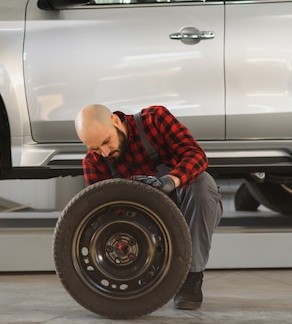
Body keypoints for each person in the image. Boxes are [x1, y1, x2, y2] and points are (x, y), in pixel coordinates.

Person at [74, 104, 223, 310]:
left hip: (187, 209)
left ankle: (191, 276)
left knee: (202, 184)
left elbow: (196, 155)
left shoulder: (154, 120)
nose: (105, 152)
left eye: (106, 141)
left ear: (115, 120)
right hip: (143, 229)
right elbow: (105, 219)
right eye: (96, 148)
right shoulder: (94, 163)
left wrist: (171, 181)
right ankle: (150, 273)